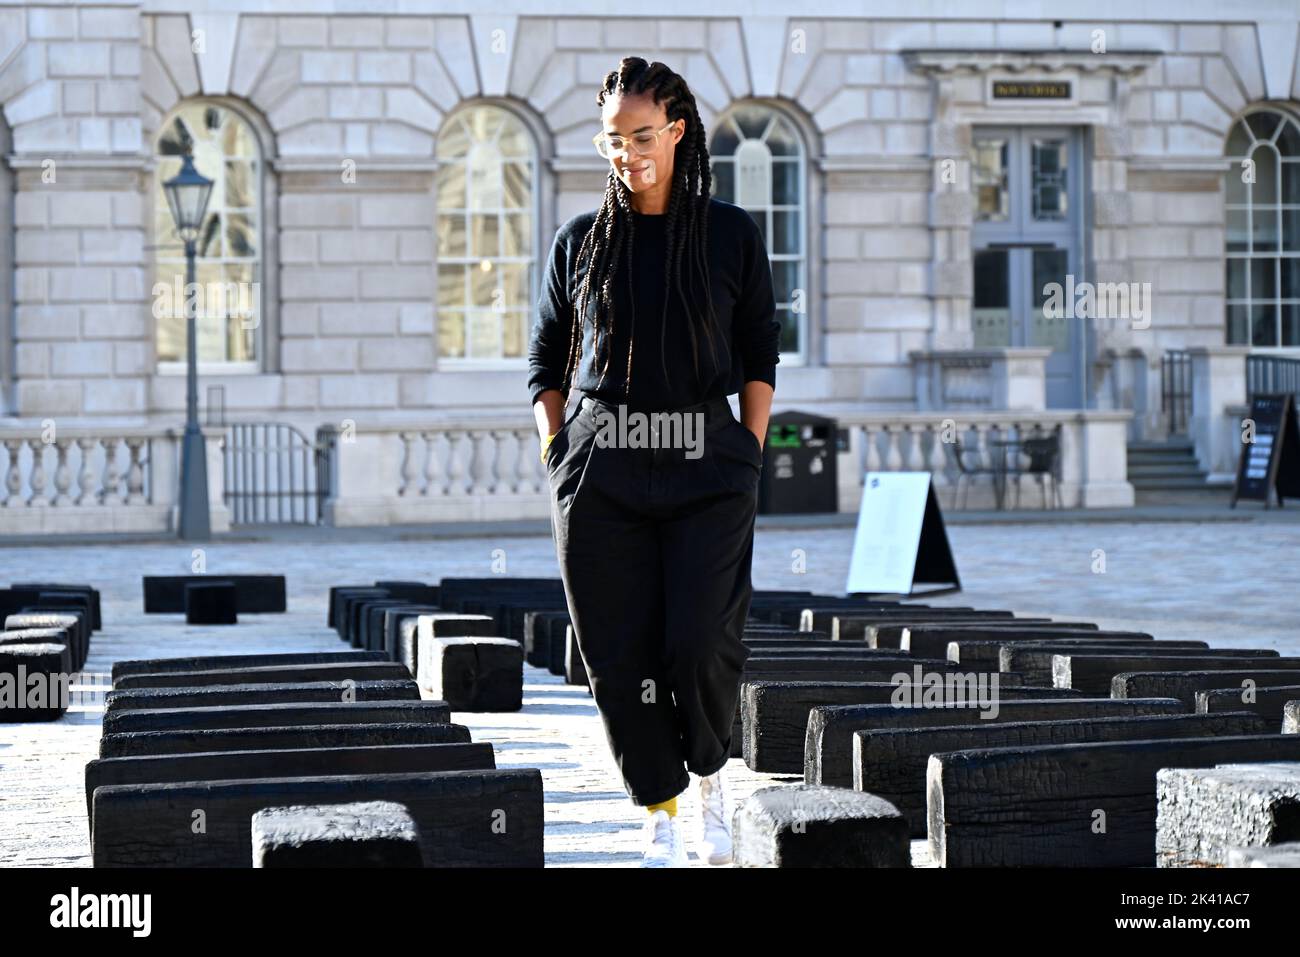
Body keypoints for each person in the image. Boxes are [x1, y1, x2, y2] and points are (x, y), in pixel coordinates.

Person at [526, 56, 780, 867]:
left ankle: (706, 774)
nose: (627, 153)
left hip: (707, 462)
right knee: (616, 655)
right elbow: (545, 362)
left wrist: (749, 452)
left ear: (676, 131)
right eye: (612, 140)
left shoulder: (731, 234)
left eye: (642, 136)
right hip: (602, 470)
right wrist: (559, 454)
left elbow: (759, 353)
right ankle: (660, 805)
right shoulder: (579, 243)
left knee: (700, 638)